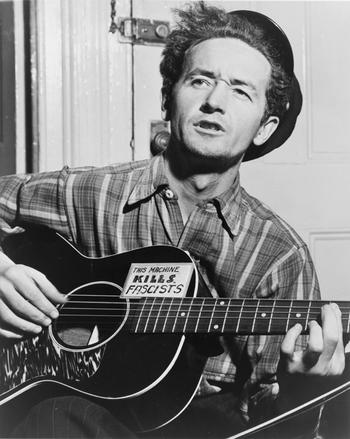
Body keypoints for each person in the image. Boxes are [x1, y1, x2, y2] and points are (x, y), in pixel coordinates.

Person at [0, 2, 346, 438]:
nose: (214, 102)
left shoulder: (279, 254)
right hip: (61, 416)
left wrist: (301, 388)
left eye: (241, 90)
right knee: (58, 416)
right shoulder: (91, 193)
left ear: (264, 126)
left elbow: (273, 424)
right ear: (169, 96)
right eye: (200, 80)